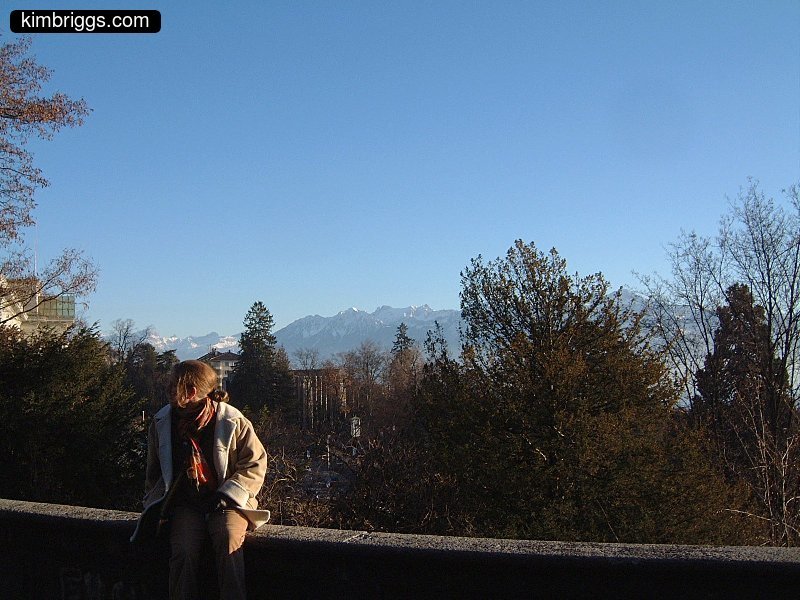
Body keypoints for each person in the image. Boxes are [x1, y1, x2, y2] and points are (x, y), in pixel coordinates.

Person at [131, 360, 270, 600]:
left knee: (229, 542)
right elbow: (153, 473)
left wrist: (228, 493)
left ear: (191, 392)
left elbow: (255, 463)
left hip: (226, 503)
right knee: (182, 552)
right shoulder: (162, 422)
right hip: (186, 505)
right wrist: (155, 503)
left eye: (173, 384)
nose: (168, 388)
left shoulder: (233, 421)